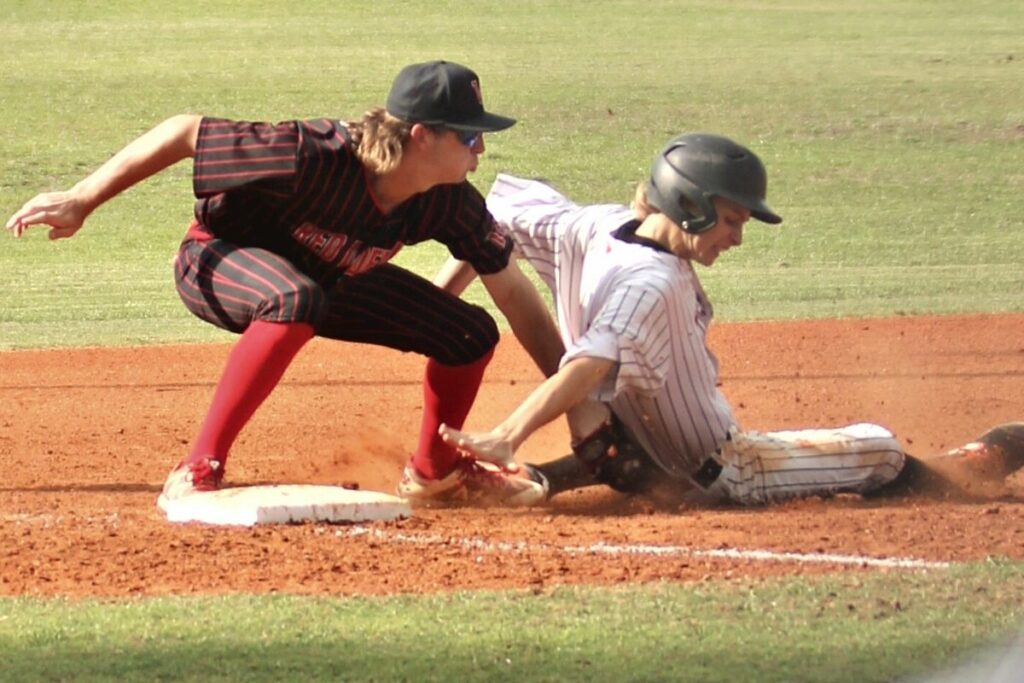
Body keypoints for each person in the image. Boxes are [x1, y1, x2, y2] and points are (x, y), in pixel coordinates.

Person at [5, 60, 556, 509]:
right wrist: (81, 199)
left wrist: (578, 388)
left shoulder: (448, 199)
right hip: (216, 261)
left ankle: (435, 473)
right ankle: (198, 466)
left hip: (323, 281)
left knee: (470, 333)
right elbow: (183, 131)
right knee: (295, 298)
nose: (480, 150)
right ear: (421, 136)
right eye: (469, 136)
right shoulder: (311, 154)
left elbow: (512, 294)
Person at [433, 132, 1024, 506]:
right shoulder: (655, 282)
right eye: (732, 221)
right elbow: (586, 368)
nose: (738, 239)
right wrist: (507, 433)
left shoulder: (588, 226)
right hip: (726, 470)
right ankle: (970, 466)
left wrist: (444, 292)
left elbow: (490, 218)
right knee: (881, 448)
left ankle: (547, 477)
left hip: (627, 442)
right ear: (689, 206)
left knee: (637, 429)